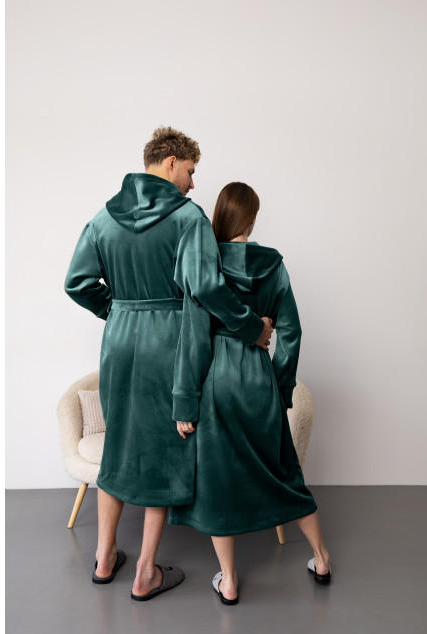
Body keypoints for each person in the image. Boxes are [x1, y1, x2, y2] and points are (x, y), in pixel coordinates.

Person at [64, 128, 274, 600]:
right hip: (169, 344)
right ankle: (145, 572)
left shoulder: (103, 217)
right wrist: (251, 328)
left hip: (119, 344)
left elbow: (76, 282)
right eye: (191, 172)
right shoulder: (187, 218)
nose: (193, 183)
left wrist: (117, 310)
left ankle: (103, 558)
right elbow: (208, 290)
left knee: (118, 445)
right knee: (164, 450)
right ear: (171, 162)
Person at [169, 182, 332, 605]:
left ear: (221, 216)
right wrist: (280, 386)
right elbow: (291, 333)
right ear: (252, 218)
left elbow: (193, 339)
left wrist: (185, 400)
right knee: (284, 473)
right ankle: (321, 558)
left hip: (215, 380)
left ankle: (229, 580)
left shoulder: (205, 265)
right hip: (259, 377)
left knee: (218, 481)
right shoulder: (273, 264)